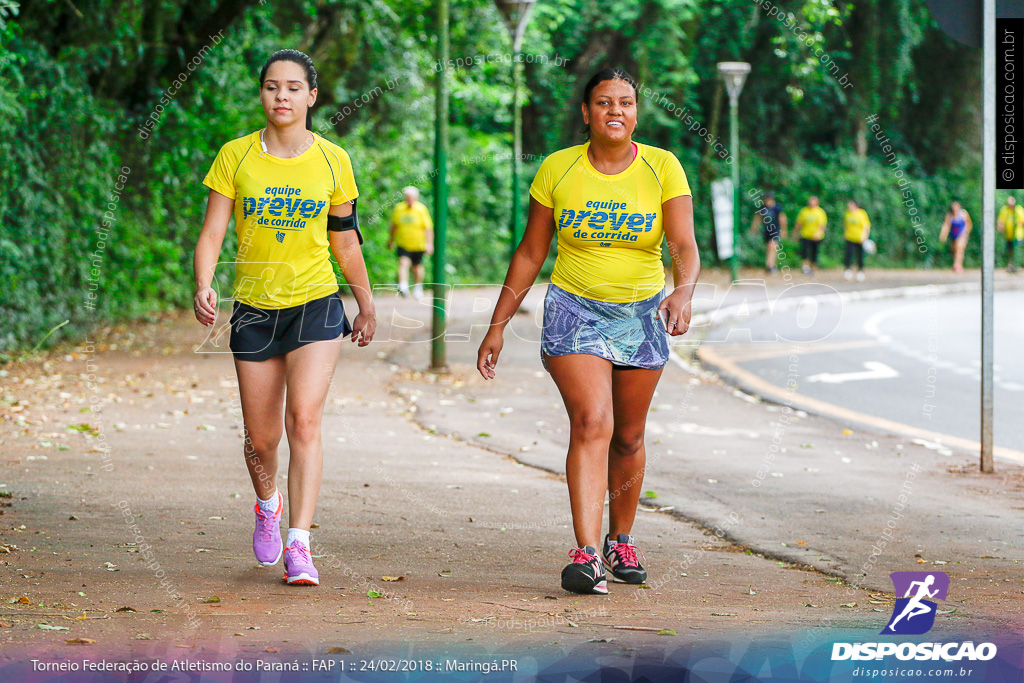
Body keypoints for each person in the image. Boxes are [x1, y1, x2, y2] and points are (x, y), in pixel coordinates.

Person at [476, 68, 699, 595]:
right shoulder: (558, 169)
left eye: (625, 102)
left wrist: (683, 290)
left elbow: (684, 246)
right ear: (586, 112)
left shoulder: (663, 167)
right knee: (592, 421)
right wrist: (497, 326)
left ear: (636, 111)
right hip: (573, 310)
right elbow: (532, 251)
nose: (615, 111)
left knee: (628, 435)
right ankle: (585, 551)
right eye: (603, 102)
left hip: (642, 313)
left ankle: (621, 540)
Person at [192, 49, 376, 587]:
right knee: (261, 438)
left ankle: (300, 543)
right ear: (262, 94)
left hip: (317, 304)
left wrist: (364, 302)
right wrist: (204, 283)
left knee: (304, 422)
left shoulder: (334, 161)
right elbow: (212, 233)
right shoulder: (236, 156)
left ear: (311, 96)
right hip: (253, 308)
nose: (282, 96)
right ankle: (266, 503)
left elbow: (345, 239)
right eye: (273, 87)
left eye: (294, 88)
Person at [387, 186, 433, 298]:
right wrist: (391, 240)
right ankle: (403, 285)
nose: (409, 199)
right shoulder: (399, 208)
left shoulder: (421, 209)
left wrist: (429, 244)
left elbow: (428, 228)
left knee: (417, 266)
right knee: (403, 262)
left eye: (412, 197)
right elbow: (394, 226)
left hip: (418, 244)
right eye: (408, 197)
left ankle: (418, 287)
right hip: (403, 243)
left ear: (416, 197)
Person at [748, 192, 787, 273]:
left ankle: (770, 265)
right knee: (769, 248)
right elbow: (757, 218)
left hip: (775, 230)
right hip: (766, 231)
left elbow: (782, 219)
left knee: (772, 246)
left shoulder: (776, 208)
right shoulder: (763, 208)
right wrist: (754, 228)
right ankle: (770, 265)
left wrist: (784, 230)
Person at [794, 196, 827, 275]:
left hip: (816, 236)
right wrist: (796, 232)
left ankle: (813, 268)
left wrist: (818, 233)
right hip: (805, 234)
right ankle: (805, 267)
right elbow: (799, 223)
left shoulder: (820, 212)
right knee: (804, 251)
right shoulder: (804, 211)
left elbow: (822, 225)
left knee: (814, 252)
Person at [938, 201, 972, 274]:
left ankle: (957, 265)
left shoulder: (963, 214)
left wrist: (966, 233)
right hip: (953, 235)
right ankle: (957, 264)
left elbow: (968, 224)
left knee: (960, 249)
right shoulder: (950, 216)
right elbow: (946, 226)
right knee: (955, 250)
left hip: (962, 234)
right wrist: (943, 235)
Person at [843, 199, 871, 281]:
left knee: (860, 256)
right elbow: (846, 225)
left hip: (859, 239)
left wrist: (865, 236)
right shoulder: (848, 213)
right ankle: (848, 270)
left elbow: (866, 226)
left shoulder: (862, 213)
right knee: (848, 254)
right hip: (850, 237)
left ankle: (860, 271)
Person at [997, 196, 1024, 272]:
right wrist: (1001, 227)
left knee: (1016, 249)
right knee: (1010, 250)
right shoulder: (1004, 210)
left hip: (1018, 234)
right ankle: (1011, 264)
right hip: (1008, 234)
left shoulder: (1019, 210)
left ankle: (1017, 264)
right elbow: (1001, 220)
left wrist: (1017, 224)